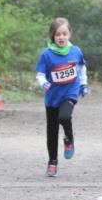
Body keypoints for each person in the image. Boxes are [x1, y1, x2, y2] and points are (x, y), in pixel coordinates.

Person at [35, 18, 88, 178]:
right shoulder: (46, 54)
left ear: (69, 34)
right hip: (52, 96)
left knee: (64, 116)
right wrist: (43, 82)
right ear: (52, 36)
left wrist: (84, 85)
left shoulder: (75, 51)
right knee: (51, 131)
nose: (61, 37)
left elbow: (81, 68)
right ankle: (52, 162)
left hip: (70, 92)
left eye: (64, 34)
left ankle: (69, 138)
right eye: (58, 34)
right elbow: (40, 74)